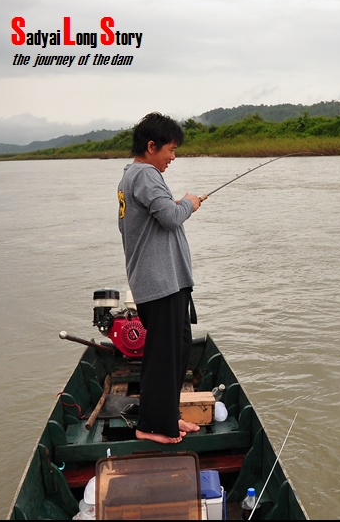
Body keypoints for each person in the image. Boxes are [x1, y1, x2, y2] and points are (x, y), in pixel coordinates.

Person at [117, 112, 203, 444]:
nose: (173, 157)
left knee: (178, 350)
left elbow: (161, 214)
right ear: (151, 146)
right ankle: (152, 426)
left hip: (167, 282)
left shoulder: (134, 176)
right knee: (164, 355)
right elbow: (169, 217)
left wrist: (179, 203)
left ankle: (167, 417)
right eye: (170, 149)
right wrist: (190, 204)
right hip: (160, 283)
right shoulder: (145, 174)